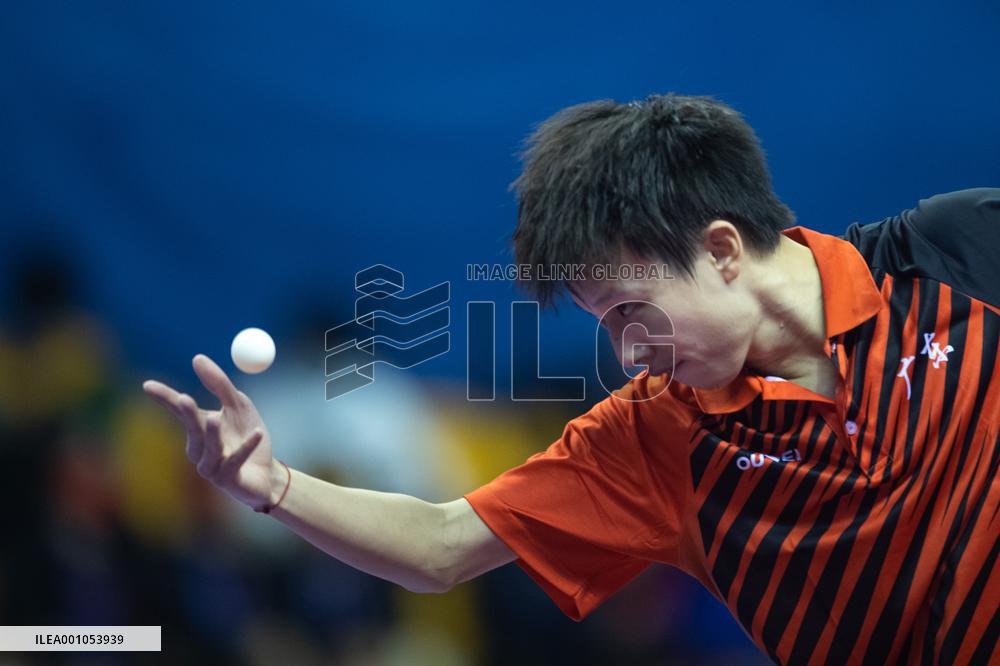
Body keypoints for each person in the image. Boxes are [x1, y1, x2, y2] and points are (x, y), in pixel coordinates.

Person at [143, 94, 999, 665]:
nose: (627, 353)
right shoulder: (654, 435)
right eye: (605, 326)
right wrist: (274, 486)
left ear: (723, 249)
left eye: (632, 310)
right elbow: (441, 547)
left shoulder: (958, 251)